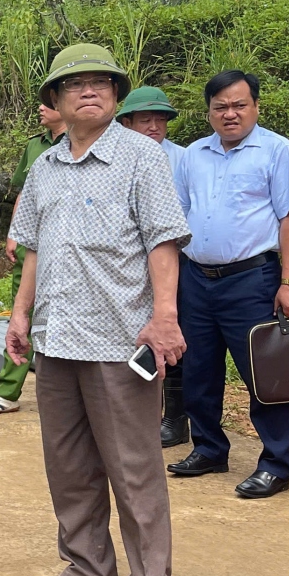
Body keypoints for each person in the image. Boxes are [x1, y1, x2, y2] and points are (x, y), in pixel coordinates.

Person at [6, 43, 190, 576]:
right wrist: (19, 315)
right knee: (69, 466)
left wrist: (165, 316)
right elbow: (33, 247)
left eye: (102, 83)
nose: (90, 91)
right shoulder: (44, 166)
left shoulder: (142, 158)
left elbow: (164, 241)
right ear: (55, 102)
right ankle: (87, 571)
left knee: (134, 467)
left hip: (119, 341)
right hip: (57, 340)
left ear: (115, 96)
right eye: (75, 84)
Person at [168, 71, 289, 498]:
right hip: (196, 278)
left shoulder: (278, 151)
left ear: (255, 106)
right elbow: (179, 217)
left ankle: (276, 462)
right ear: (208, 111)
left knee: (262, 371)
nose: (230, 114)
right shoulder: (194, 154)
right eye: (220, 107)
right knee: (198, 369)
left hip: (252, 278)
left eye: (239, 105)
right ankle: (210, 448)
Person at [0, 100, 67, 416]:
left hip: (71, 245)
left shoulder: (86, 141)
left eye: (49, 104)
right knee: (21, 312)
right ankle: (7, 391)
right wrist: (15, 232)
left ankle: (67, 395)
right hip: (34, 243)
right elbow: (24, 194)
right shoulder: (34, 147)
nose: (41, 108)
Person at [116, 87, 189, 447]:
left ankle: (174, 417)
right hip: (128, 265)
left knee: (169, 336)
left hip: (173, 262)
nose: (154, 126)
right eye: (146, 119)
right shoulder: (115, 159)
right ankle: (136, 415)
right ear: (126, 122)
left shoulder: (184, 159)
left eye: (160, 119)